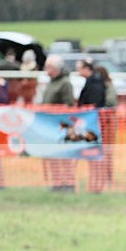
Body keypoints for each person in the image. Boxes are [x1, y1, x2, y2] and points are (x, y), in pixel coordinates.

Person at [41, 55, 76, 192]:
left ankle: (69, 183)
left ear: (56, 68)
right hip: (50, 125)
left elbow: (69, 105)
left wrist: (55, 111)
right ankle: (57, 182)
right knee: (53, 155)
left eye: (48, 67)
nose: (46, 70)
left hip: (62, 125)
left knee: (64, 156)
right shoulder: (51, 82)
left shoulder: (65, 83)